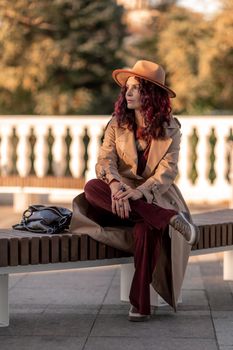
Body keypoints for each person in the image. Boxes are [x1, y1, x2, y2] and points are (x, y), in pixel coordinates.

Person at [70, 60, 199, 322]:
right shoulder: (116, 123)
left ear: (151, 94)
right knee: (92, 187)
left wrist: (140, 194)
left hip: (153, 196)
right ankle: (166, 219)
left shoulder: (171, 129)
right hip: (114, 198)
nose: (128, 93)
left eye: (136, 88)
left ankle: (140, 305)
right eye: (127, 88)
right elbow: (104, 161)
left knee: (145, 228)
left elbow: (167, 172)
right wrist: (117, 186)